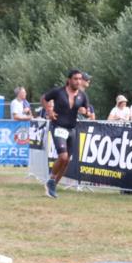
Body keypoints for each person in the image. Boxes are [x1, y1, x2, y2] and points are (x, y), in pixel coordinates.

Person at [41, 69, 90, 198]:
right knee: (62, 157)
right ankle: (51, 179)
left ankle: (52, 187)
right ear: (69, 80)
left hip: (72, 129)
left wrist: (85, 111)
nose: (78, 81)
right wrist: (49, 111)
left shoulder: (82, 95)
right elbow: (44, 99)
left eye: (80, 79)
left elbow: (88, 111)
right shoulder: (58, 92)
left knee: (67, 161)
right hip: (58, 127)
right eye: (75, 79)